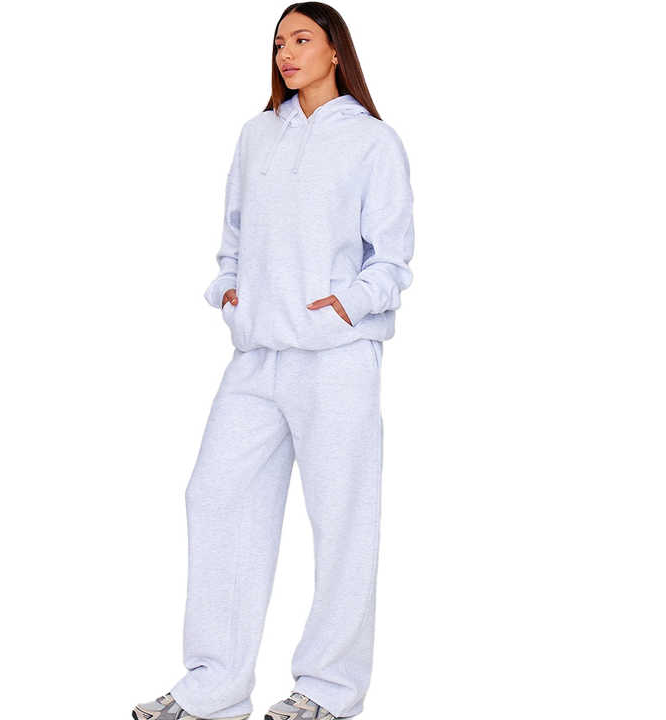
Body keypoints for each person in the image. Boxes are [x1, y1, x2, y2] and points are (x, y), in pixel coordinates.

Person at [133, 3, 415, 720]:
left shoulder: (373, 141)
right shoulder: (257, 134)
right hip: (256, 357)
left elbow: (392, 257)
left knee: (343, 520)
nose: (286, 52)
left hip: (336, 359)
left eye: (301, 39)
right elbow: (232, 235)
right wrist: (230, 291)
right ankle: (215, 685)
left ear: (335, 51)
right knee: (214, 498)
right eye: (279, 41)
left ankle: (328, 690)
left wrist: (346, 305)